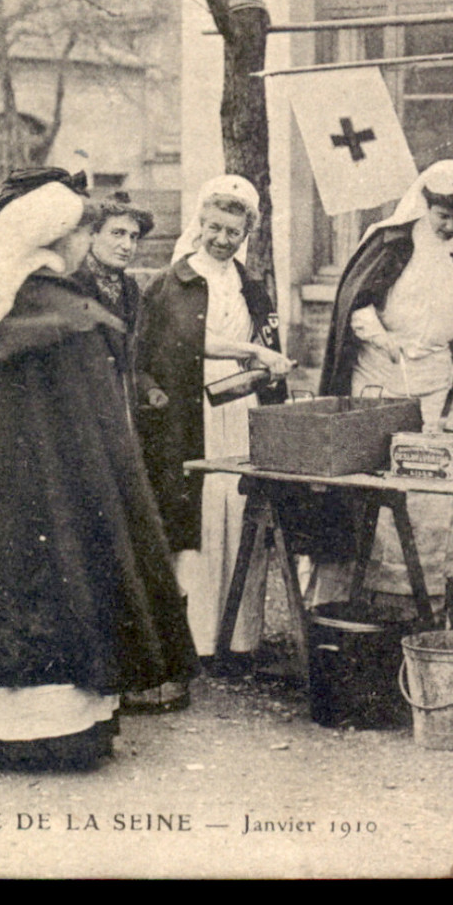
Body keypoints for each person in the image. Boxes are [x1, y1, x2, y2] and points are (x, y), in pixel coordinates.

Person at [0, 169, 197, 769]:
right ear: (56, 242)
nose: (87, 245)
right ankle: (50, 730)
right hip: (56, 502)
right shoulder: (68, 317)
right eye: (81, 234)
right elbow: (92, 430)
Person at [316, 160, 453, 606]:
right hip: (379, 368)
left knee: (427, 472)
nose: (449, 225)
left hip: (434, 373)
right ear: (425, 206)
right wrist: (381, 337)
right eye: (441, 216)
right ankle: (357, 589)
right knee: (373, 468)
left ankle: (420, 589)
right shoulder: (392, 242)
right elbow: (359, 303)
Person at [136, 176, 293, 684]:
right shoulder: (172, 282)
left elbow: (262, 336)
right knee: (198, 517)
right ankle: (197, 638)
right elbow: (188, 338)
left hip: (238, 410)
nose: (223, 239)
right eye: (215, 228)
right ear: (199, 226)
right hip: (189, 413)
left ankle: (242, 637)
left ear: (247, 232)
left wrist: (269, 371)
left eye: (234, 230)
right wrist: (251, 351)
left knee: (237, 510)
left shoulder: (251, 284)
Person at [72, 193, 154, 417]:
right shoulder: (71, 284)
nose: (127, 245)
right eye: (117, 233)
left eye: (134, 237)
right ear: (93, 234)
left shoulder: (130, 288)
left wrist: (148, 388)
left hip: (121, 405)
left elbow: (134, 357)